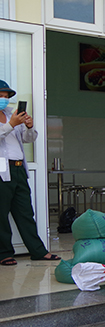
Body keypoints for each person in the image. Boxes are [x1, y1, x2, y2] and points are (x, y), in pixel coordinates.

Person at [0, 80, 60, 266]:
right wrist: (11, 124)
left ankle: (37, 250)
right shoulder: (11, 119)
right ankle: (4, 253)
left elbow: (29, 139)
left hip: (18, 168)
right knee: (1, 214)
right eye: (0, 96)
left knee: (25, 211)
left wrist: (28, 126)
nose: (4, 99)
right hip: (2, 168)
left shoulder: (12, 114)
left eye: (6, 96)